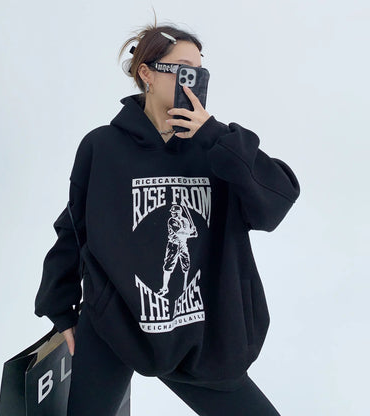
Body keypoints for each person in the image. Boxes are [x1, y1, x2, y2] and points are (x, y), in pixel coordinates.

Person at [34, 19, 300, 416]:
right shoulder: (102, 147)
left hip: (200, 332)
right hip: (114, 324)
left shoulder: (220, 149)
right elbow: (73, 227)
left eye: (200, 72)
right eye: (183, 70)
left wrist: (215, 136)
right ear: (147, 74)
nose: (194, 82)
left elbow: (275, 204)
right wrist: (59, 305)